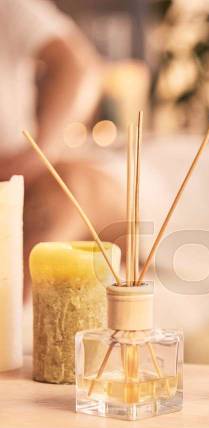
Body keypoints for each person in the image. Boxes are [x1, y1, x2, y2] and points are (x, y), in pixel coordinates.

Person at [0, 0, 122, 290]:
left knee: (71, 189)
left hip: (26, 179)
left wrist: (37, 155)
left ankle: (19, 299)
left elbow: (76, 65)